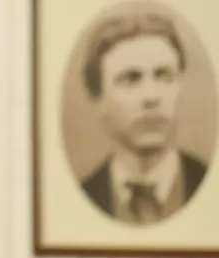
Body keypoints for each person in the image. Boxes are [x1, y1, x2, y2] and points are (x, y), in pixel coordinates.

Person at [79, 10, 208, 225]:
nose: (151, 97)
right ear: (98, 98)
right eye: (130, 79)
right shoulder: (82, 198)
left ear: (181, 86)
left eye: (164, 76)